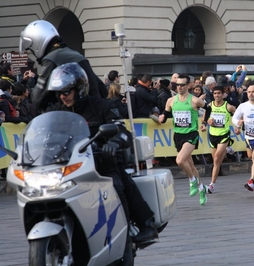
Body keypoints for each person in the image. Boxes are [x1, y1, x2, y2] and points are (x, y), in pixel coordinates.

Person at [45, 63, 158, 262]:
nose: (63, 96)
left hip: (100, 166)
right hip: (65, 169)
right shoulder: (55, 112)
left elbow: (122, 132)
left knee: (115, 185)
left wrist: (113, 143)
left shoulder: (101, 106)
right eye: (59, 92)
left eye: (67, 91)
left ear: (79, 88)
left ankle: (129, 233)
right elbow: (42, 136)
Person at [19, 20, 108, 111]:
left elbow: (37, 99)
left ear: (37, 44)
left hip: (73, 114)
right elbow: (100, 87)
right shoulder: (75, 54)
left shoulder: (51, 58)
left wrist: (30, 91)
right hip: (92, 111)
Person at [158, 74, 209, 205]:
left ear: (188, 86)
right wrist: (162, 117)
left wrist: (204, 123)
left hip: (191, 134)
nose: (179, 87)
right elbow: (166, 112)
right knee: (190, 165)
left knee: (180, 161)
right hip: (178, 135)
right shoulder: (171, 100)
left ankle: (192, 180)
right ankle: (201, 188)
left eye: (182, 85)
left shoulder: (194, 100)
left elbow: (208, 108)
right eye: (177, 85)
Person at [202, 85, 236, 193]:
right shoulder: (209, 106)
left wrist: (237, 126)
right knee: (216, 161)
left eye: (219, 93)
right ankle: (227, 149)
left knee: (216, 158)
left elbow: (236, 114)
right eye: (215, 93)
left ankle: (211, 185)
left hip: (223, 135)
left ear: (223, 94)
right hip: (212, 135)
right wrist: (207, 122)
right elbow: (204, 118)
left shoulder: (228, 106)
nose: (217, 95)